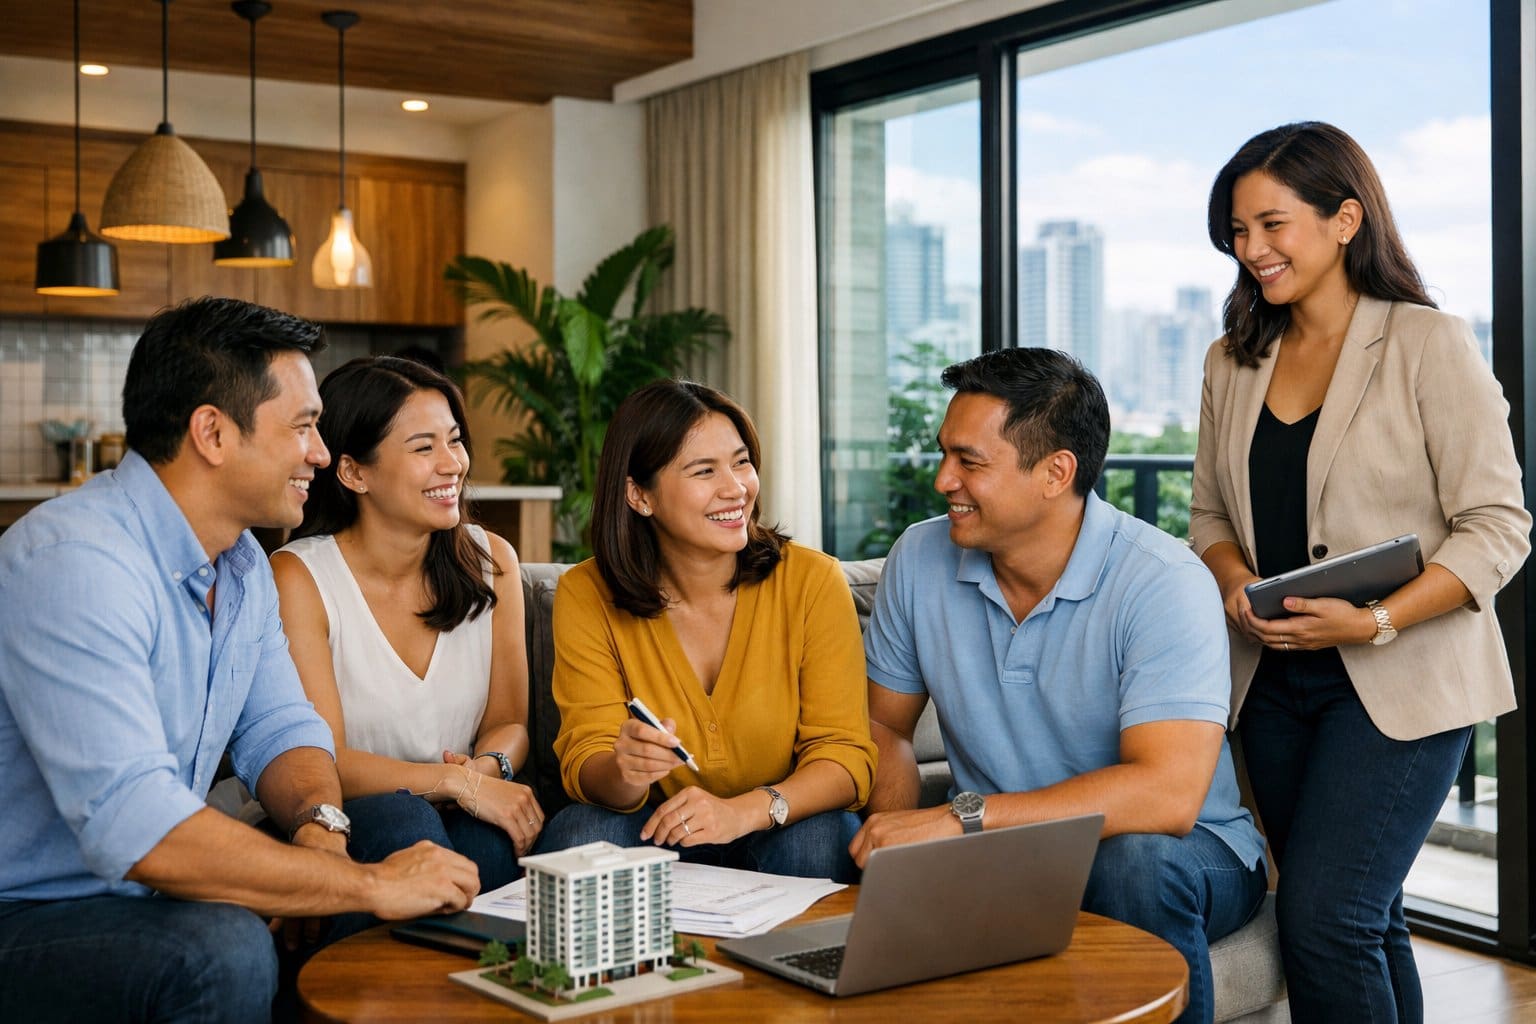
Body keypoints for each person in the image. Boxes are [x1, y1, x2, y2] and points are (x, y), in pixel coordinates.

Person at [0, 298, 479, 1023]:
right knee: (220, 947)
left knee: (384, 822)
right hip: (32, 910)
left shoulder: (245, 566)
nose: (320, 453)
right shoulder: (77, 563)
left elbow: (283, 729)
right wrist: (366, 886)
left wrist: (321, 827)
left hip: (146, 892)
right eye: (304, 427)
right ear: (213, 433)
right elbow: (135, 825)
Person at [1191, 121, 1530, 1022]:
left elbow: (1497, 527)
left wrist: (1373, 621)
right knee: (1363, 918)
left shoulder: (1427, 343)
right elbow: (1210, 516)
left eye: (1271, 225)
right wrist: (1231, 581)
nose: (1251, 249)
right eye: (1236, 231)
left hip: (1400, 676)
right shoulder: (1232, 359)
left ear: (1345, 219)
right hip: (1270, 680)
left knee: (1324, 918)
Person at [852, 347, 1267, 1024]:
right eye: (943, 454)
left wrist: (959, 821)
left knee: (1132, 863)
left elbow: (1165, 795)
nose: (941, 481)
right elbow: (886, 727)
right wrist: (893, 849)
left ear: (1056, 473)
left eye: (969, 462)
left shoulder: (1161, 581)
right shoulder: (919, 559)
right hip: (1005, 849)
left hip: (1189, 853)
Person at [539, 378, 876, 882]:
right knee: (578, 836)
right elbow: (588, 758)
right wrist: (624, 770)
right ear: (639, 494)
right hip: (655, 826)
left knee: (823, 837)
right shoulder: (586, 594)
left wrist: (743, 812)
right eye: (704, 471)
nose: (736, 488)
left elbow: (845, 756)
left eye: (741, 462)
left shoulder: (811, 580)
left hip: (775, 819)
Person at [273, 356, 541, 893]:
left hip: (463, 801)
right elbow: (320, 762)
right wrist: (456, 783)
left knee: (490, 841)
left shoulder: (493, 561)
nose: (452, 465)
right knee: (408, 824)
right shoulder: (299, 578)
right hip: (346, 818)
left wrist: (487, 771)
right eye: (424, 448)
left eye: (455, 441)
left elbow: (509, 721)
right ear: (353, 472)